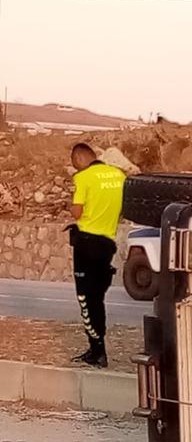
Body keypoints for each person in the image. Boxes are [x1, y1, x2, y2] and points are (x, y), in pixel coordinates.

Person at [68, 143, 125, 368]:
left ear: (81, 159)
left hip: (86, 245)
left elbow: (77, 211)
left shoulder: (83, 178)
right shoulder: (119, 175)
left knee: (85, 299)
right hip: (107, 244)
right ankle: (97, 348)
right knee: (97, 298)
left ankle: (97, 350)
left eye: (75, 165)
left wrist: (71, 207)